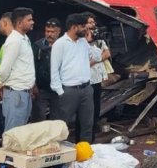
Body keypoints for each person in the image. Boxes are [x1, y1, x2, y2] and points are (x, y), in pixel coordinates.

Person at [50, 13, 93, 142]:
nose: (86, 29)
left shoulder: (83, 42)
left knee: (87, 125)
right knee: (63, 126)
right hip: (68, 90)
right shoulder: (60, 44)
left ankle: (85, 154)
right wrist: (60, 91)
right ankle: (62, 156)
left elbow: (96, 56)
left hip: (86, 89)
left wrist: (91, 42)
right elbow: (54, 70)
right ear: (74, 27)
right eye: (83, 27)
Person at [0, 7, 35, 132]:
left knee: (21, 133)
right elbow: (3, 70)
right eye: (29, 20)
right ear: (19, 23)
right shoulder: (14, 41)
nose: (32, 22)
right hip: (16, 93)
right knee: (13, 133)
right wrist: (4, 83)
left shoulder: (24, 38)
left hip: (24, 93)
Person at [83, 13, 110, 139]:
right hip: (85, 80)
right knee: (85, 109)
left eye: (93, 22)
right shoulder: (80, 41)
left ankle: (92, 133)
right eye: (89, 22)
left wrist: (93, 61)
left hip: (97, 78)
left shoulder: (99, 40)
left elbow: (107, 54)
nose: (92, 25)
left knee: (95, 107)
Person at [31, 18, 62, 122]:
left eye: (52, 32)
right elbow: (32, 65)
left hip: (58, 89)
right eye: (47, 31)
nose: (49, 34)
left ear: (59, 31)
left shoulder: (64, 45)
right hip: (41, 89)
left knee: (57, 119)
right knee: (38, 118)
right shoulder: (38, 46)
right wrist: (33, 85)